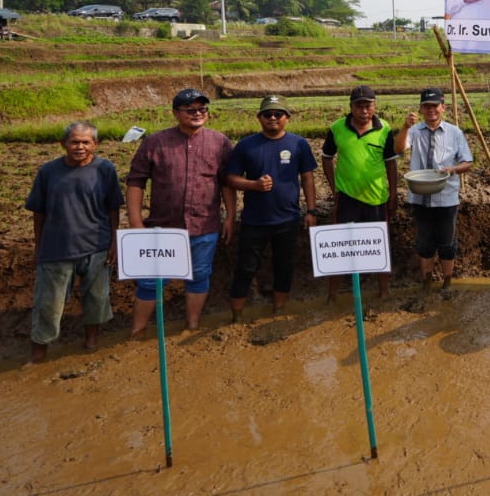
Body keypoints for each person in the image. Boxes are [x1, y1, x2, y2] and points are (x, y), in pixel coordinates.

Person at [126, 88, 236, 337]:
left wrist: (230, 216)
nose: (197, 114)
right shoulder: (155, 142)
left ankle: (192, 325)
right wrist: (135, 221)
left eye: (202, 109)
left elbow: (226, 183)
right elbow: (136, 181)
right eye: (190, 110)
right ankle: (137, 330)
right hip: (163, 228)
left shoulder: (219, 142)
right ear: (176, 113)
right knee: (151, 282)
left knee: (199, 276)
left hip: (204, 225)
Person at [26, 122, 124, 363]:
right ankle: (39, 353)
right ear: (63, 144)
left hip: (97, 247)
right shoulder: (48, 172)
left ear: (95, 144)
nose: (80, 147)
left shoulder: (105, 169)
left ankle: (91, 343)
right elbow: (38, 213)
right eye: (74, 142)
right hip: (56, 248)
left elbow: (113, 208)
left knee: (97, 299)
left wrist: (114, 241)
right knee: (48, 304)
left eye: (86, 142)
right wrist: (39, 247)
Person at [224, 95, 318, 322]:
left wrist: (312, 211)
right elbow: (230, 179)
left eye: (278, 114)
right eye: (268, 114)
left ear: (287, 118)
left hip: (288, 219)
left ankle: (279, 309)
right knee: (246, 267)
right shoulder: (246, 146)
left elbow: (307, 178)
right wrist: (254, 185)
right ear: (260, 118)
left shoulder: (299, 144)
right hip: (254, 220)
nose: (273, 118)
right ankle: (236, 316)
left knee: (284, 266)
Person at [321, 85, 397, 300]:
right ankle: (333, 294)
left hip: (376, 197)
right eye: (359, 106)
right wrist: (334, 187)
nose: (364, 110)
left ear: (374, 106)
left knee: (379, 245)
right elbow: (327, 157)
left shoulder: (384, 129)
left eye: (368, 106)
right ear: (351, 107)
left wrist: (393, 193)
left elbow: (391, 163)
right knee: (341, 246)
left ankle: (384, 291)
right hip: (346, 198)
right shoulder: (337, 128)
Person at [394, 88, 474, 292]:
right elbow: (399, 149)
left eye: (435, 106)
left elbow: (467, 162)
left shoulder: (454, 133)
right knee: (424, 244)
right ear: (421, 108)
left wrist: (452, 169)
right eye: (427, 106)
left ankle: (447, 283)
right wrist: (405, 127)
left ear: (443, 107)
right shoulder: (414, 131)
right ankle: (427, 283)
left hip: (446, 197)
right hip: (420, 197)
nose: (431, 110)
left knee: (447, 243)